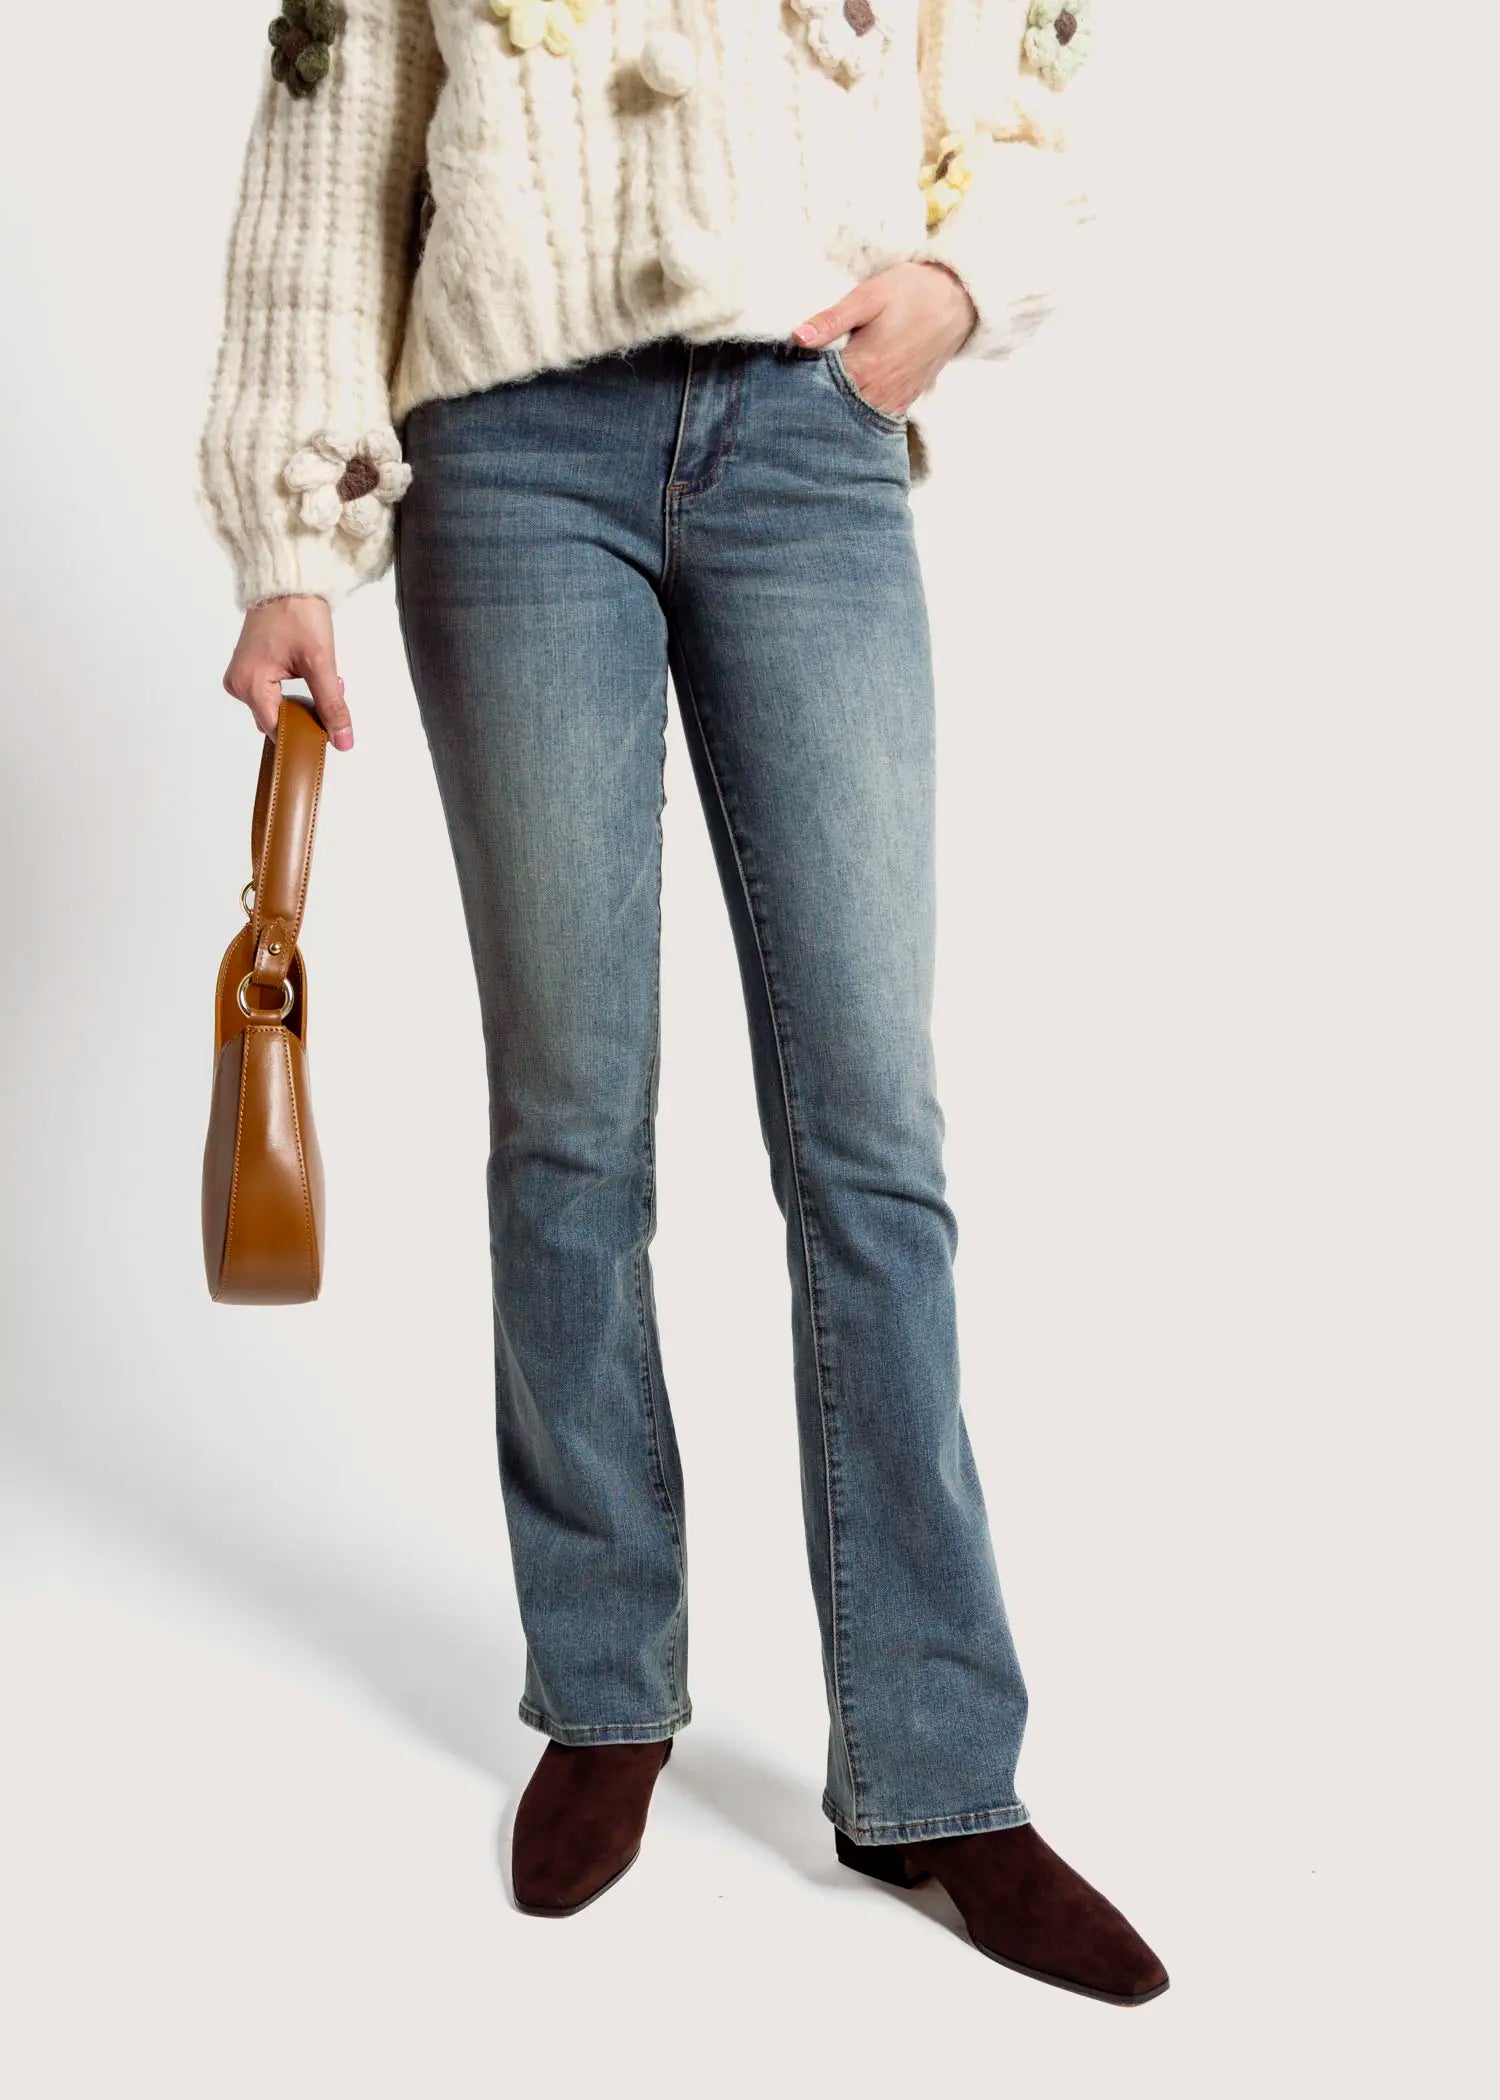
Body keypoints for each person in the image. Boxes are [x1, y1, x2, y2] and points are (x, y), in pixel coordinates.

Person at [203, 0, 1166, 2004]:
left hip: (808, 436)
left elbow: (1013, 93)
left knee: (871, 1138)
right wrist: (291, 535)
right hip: (506, 461)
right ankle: (604, 1690)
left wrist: (956, 284)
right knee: (569, 1121)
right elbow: (332, 144)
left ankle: (934, 1772)